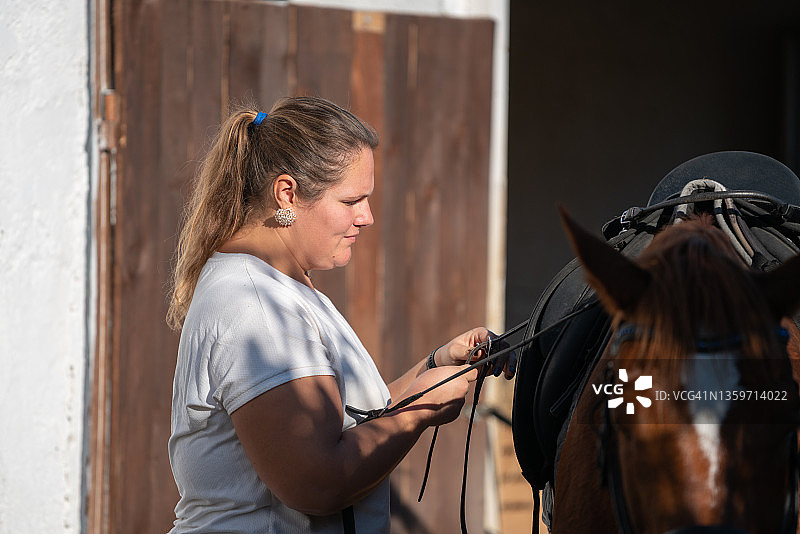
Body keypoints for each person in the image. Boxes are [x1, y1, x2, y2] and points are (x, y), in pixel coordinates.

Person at [166, 96, 514, 534]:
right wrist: (422, 408)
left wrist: (436, 366)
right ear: (287, 193)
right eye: (352, 200)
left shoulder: (282, 288)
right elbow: (315, 482)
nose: (366, 217)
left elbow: (345, 423)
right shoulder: (254, 304)